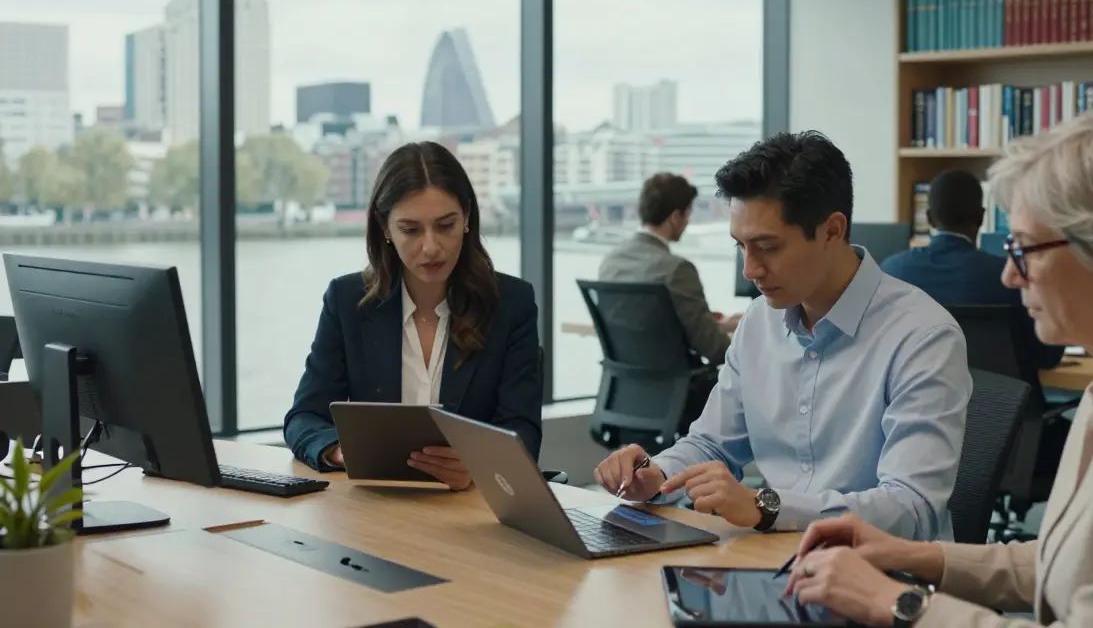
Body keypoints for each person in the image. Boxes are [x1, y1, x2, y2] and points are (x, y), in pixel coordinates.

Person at [780, 111, 1093, 627]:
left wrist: (896, 602)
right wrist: (911, 555)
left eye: (1024, 249)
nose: (1009, 274)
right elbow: (1068, 562)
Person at [594, 131, 972, 540]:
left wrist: (765, 507)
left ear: (831, 231)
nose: (749, 270)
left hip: (879, 574)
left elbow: (911, 508)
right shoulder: (758, 324)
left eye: (767, 247)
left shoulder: (922, 336)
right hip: (773, 560)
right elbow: (712, 444)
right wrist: (657, 474)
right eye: (741, 246)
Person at [284, 141, 542, 488]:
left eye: (446, 225)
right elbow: (303, 418)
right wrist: (341, 451)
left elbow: (523, 431)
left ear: (466, 217)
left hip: (469, 514)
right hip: (373, 509)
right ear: (385, 227)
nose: (431, 247)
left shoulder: (512, 303)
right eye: (411, 229)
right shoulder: (346, 301)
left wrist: (477, 466)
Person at [881, 169, 1063, 370]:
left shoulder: (892, 272)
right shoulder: (1010, 278)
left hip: (923, 397)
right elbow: (1048, 356)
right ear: (981, 217)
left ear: (930, 219)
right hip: (1002, 400)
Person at [599, 172, 741, 365]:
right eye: (688, 214)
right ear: (676, 216)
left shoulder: (610, 262)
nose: (688, 221)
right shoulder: (677, 270)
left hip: (627, 387)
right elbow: (716, 349)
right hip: (680, 389)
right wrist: (746, 330)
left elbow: (647, 324)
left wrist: (717, 325)